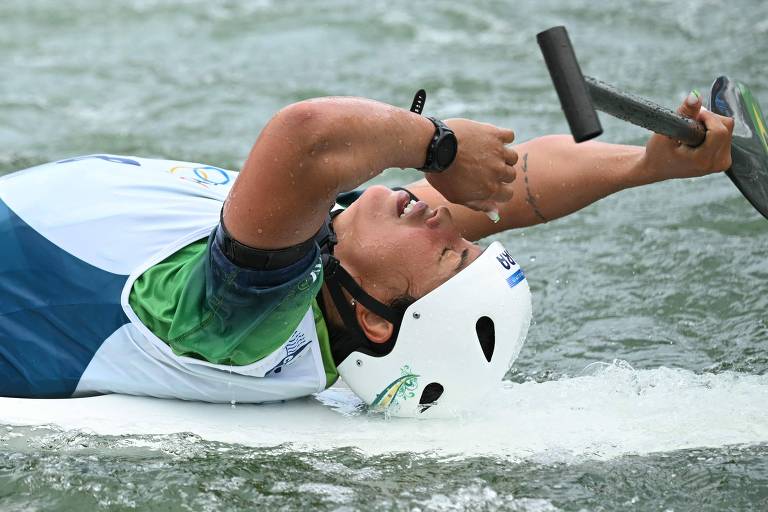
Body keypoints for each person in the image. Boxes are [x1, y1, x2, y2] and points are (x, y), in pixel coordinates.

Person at [0, 90, 733, 416]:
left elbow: (307, 135)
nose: (455, 223)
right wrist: (647, 166)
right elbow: (523, 183)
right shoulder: (346, 270)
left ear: (382, 324)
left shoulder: (244, 319)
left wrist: (435, 142)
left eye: (450, 254)